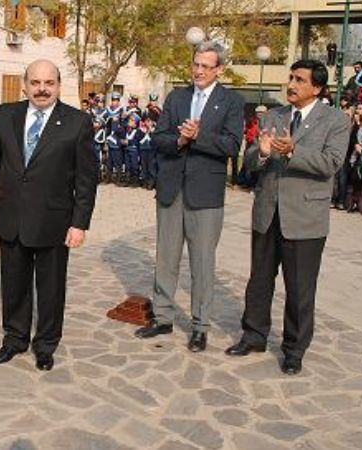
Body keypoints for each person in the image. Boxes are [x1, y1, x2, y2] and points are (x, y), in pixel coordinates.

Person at [225, 60, 351, 375]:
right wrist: (264, 152)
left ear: (317, 88)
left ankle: (294, 349)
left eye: (299, 80)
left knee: (300, 287)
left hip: (305, 218)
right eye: (291, 77)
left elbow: (331, 163)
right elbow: (251, 162)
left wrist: (294, 151)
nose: (291, 84)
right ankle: (253, 335)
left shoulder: (335, 120)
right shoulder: (274, 115)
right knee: (258, 281)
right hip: (268, 213)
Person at [134, 41, 244, 353]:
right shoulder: (177, 97)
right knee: (166, 257)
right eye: (196, 64)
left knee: (202, 262)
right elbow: (159, 138)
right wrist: (180, 139)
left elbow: (232, 145)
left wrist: (199, 137)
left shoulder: (231, 101)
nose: (198, 71)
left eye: (206, 66)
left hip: (206, 194)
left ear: (219, 69)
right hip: (171, 189)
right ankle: (163, 316)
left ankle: (200, 326)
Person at [0, 59, 98, 371]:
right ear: (25, 85)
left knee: (50, 288)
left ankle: (46, 344)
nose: (41, 89)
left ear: (59, 86)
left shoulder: (77, 122)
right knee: (13, 284)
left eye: (49, 83)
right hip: (12, 217)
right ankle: (14, 338)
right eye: (35, 82)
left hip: (54, 221)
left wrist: (79, 223)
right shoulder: (6, 115)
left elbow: (86, 179)